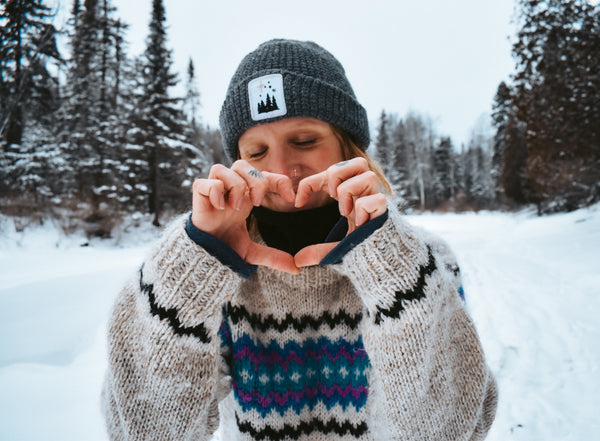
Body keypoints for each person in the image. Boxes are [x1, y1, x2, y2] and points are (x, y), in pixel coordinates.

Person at [101, 39, 497, 440]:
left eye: (305, 141)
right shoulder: (216, 279)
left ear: (347, 145)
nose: (283, 168)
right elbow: (144, 431)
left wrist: (390, 270)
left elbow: (452, 429)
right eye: (257, 151)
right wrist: (194, 269)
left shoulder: (422, 263)